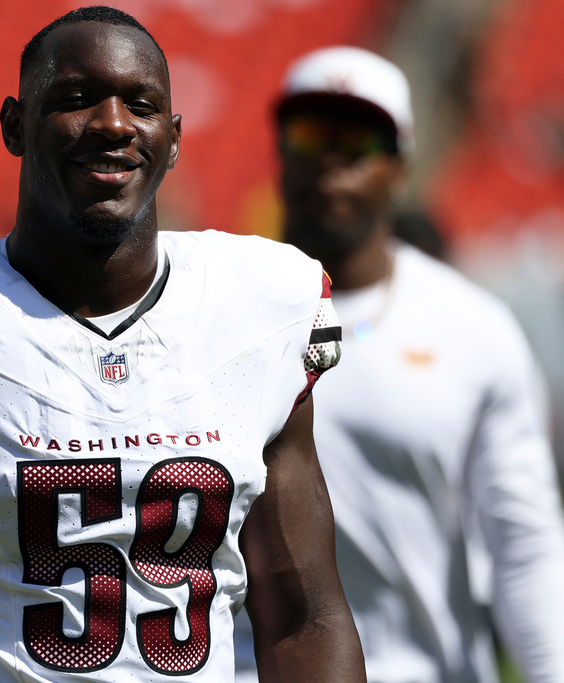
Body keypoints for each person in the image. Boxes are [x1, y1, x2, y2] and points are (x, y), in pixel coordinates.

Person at [0, 8, 365, 682]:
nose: (113, 124)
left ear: (173, 139)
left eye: (140, 104)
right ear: (13, 125)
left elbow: (305, 618)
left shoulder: (261, 309)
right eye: (76, 99)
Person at [234, 46, 564, 683]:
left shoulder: (474, 329)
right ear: (278, 153)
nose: (329, 157)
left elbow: (524, 542)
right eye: (307, 134)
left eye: (356, 139)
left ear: (402, 165)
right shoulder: (214, 313)